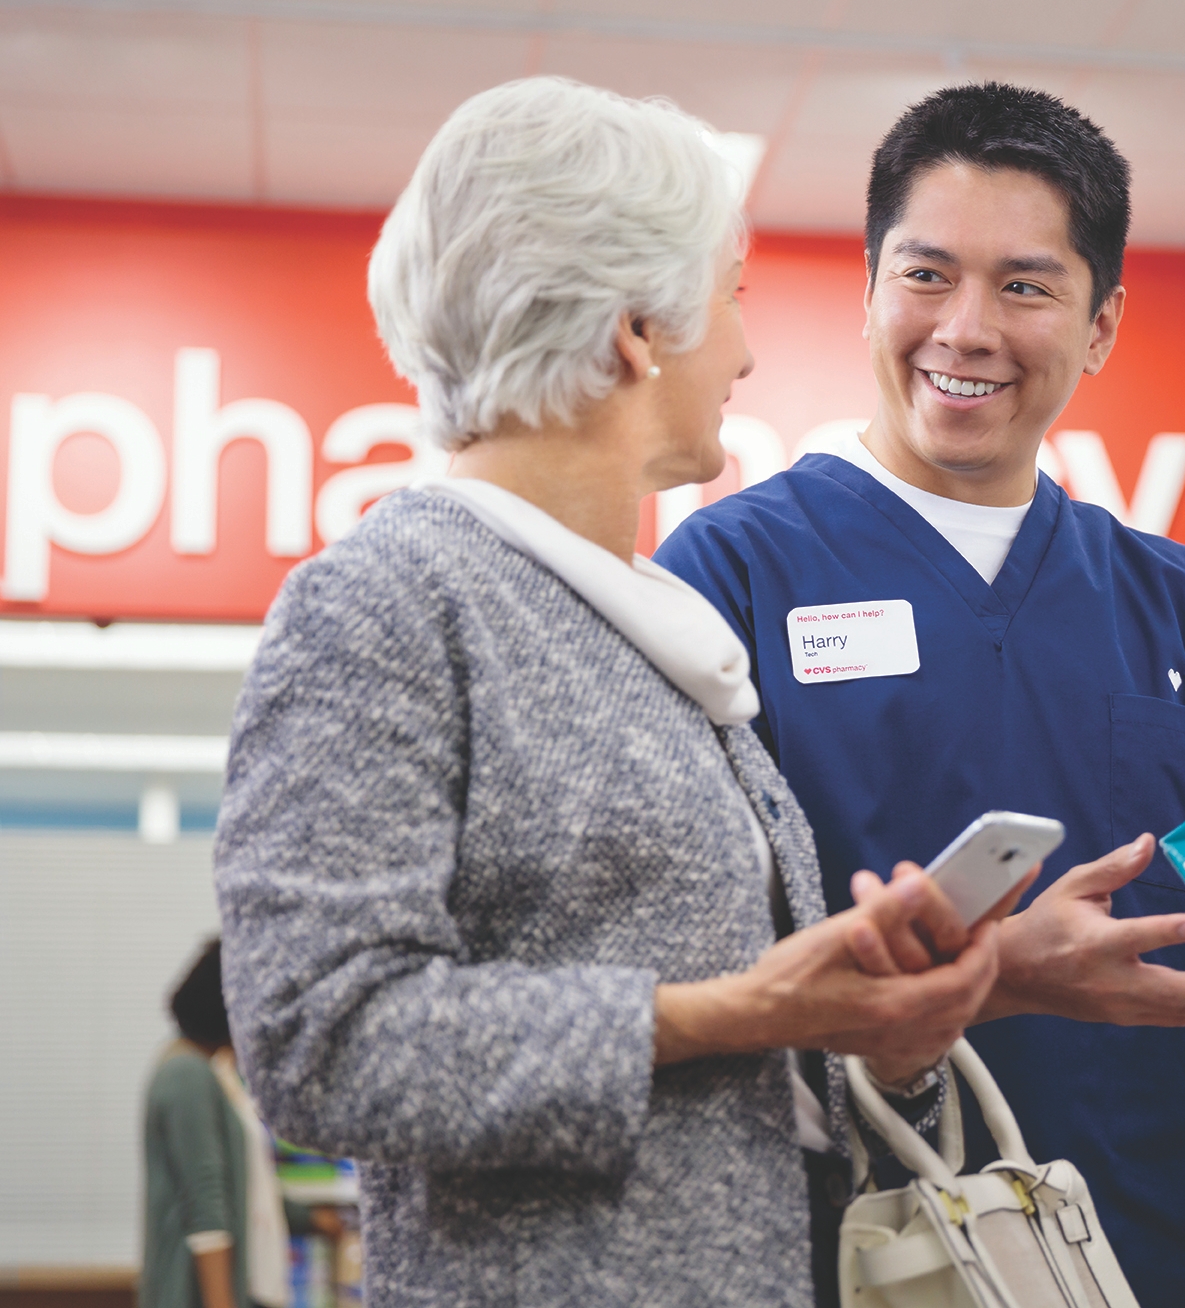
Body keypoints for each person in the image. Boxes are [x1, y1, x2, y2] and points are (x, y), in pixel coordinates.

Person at [658, 82, 1185, 1306]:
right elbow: (686, 978)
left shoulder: (1169, 603)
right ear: (869, 291)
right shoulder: (733, 572)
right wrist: (990, 969)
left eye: (1024, 286)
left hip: (1131, 1248)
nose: (964, 329)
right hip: (842, 1253)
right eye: (925, 275)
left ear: (1099, 323)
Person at [215, 77, 1017, 1308]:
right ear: (636, 330)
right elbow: (317, 1040)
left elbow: (744, 1083)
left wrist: (882, 1038)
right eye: (731, 297)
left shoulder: (655, 632)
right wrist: (727, 1013)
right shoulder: (388, 603)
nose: (745, 352)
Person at [142, 939, 325, 1308]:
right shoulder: (186, 1074)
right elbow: (206, 1201)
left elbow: (246, 1184)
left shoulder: (217, 1072)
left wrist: (315, 1219)